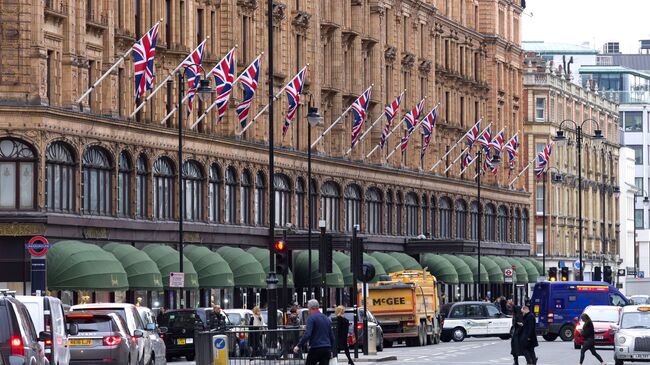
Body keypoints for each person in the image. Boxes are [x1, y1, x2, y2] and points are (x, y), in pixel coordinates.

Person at [294, 299, 335, 365]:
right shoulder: (326, 318)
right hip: (327, 348)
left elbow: (307, 334)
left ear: (310, 308)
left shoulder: (311, 318)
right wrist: (331, 349)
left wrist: (298, 346)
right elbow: (332, 336)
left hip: (316, 348)